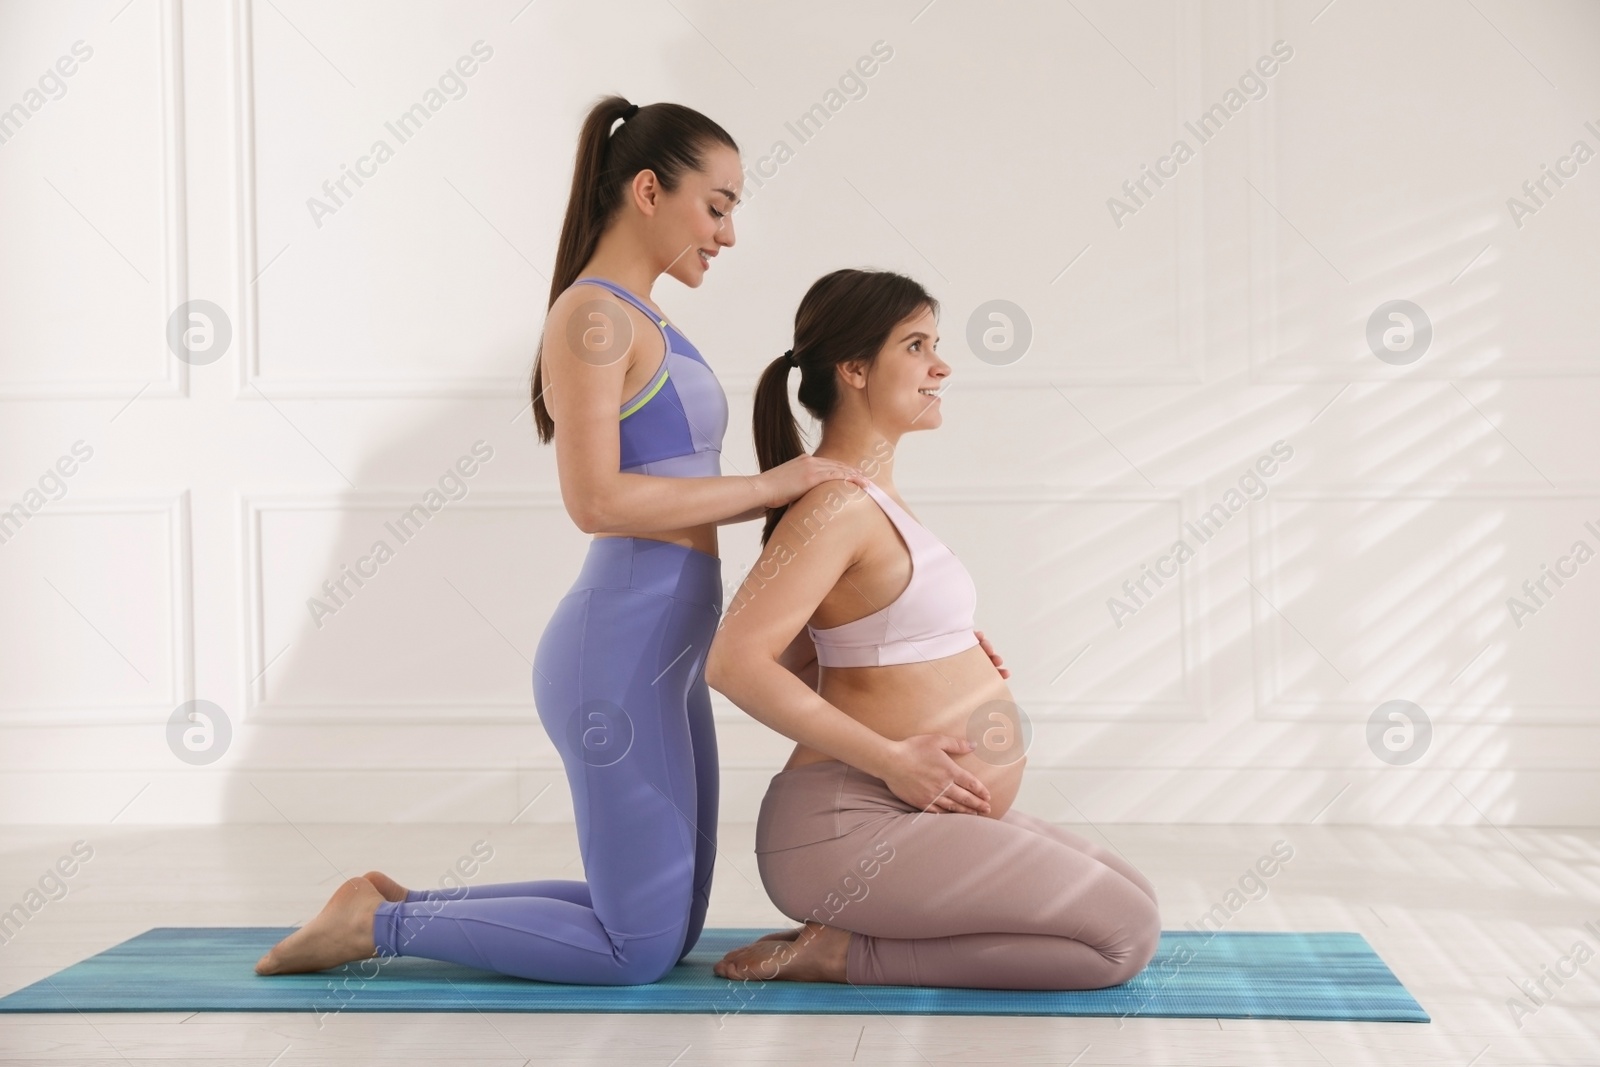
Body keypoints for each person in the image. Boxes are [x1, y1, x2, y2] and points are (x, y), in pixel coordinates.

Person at [255, 100, 954, 985]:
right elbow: (594, 500)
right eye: (718, 204)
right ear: (649, 190)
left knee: (669, 922)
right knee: (638, 950)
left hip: (662, 655)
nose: (729, 233)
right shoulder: (592, 317)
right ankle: (382, 926)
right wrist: (776, 484)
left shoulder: (646, 317)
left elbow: (669, 487)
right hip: (616, 655)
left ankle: (384, 904)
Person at [703, 269, 1162, 990]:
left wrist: (940, 646)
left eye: (935, 345)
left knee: (1134, 896)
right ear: (854, 369)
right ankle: (844, 953)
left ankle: (854, 934)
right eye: (916, 346)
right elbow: (734, 663)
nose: (941, 366)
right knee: (1122, 937)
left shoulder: (874, 500)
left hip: (907, 814)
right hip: (845, 826)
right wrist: (890, 755)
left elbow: (803, 656)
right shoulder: (834, 506)